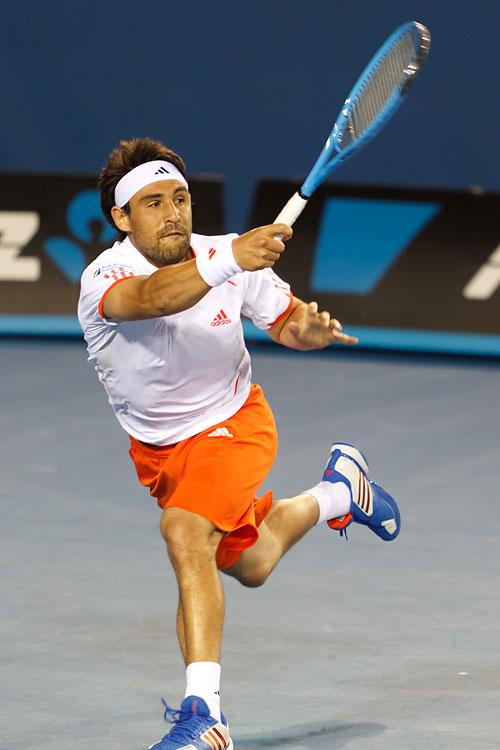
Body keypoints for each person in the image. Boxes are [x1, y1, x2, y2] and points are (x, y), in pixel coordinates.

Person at [78, 137, 400, 750]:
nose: (173, 213)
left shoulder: (227, 255)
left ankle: (206, 717)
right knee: (249, 563)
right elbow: (153, 297)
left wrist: (310, 329)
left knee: (184, 532)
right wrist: (231, 257)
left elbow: (287, 321)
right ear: (121, 218)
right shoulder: (105, 277)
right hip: (160, 452)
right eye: (153, 203)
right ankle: (340, 492)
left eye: (180, 198)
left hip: (235, 423)